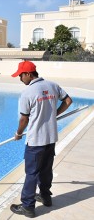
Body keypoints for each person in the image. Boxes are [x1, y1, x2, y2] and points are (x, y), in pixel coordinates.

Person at [10, 60, 72, 218]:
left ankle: (28, 207)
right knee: (45, 169)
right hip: (51, 138)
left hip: (36, 140)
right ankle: (45, 196)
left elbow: (24, 120)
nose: (20, 79)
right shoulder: (52, 85)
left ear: (28, 74)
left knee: (31, 173)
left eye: (21, 75)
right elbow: (68, 101)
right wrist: (55, 114)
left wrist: (18, 133)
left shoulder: (27, 93)